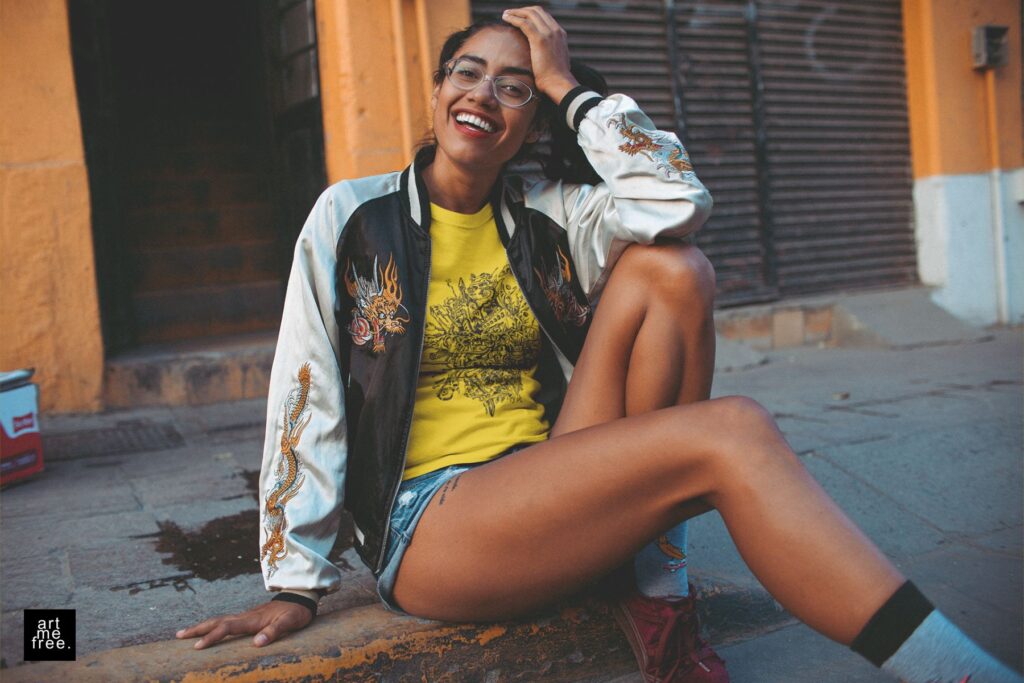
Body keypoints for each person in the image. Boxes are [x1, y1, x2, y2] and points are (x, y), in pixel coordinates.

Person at [177, 7, 1021, 683]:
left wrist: (569, 85)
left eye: (516, 87)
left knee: (675, 269)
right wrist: (295, 581)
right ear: (436, 92)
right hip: (432, 522)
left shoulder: (552, 213)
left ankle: (650, 582)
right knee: (731, 432)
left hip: (557, 472)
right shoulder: (352, 219)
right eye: (468, 73)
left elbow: (679, 200)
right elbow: (305, 385)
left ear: (533, 117)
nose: (485, 95)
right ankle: (954, 670)